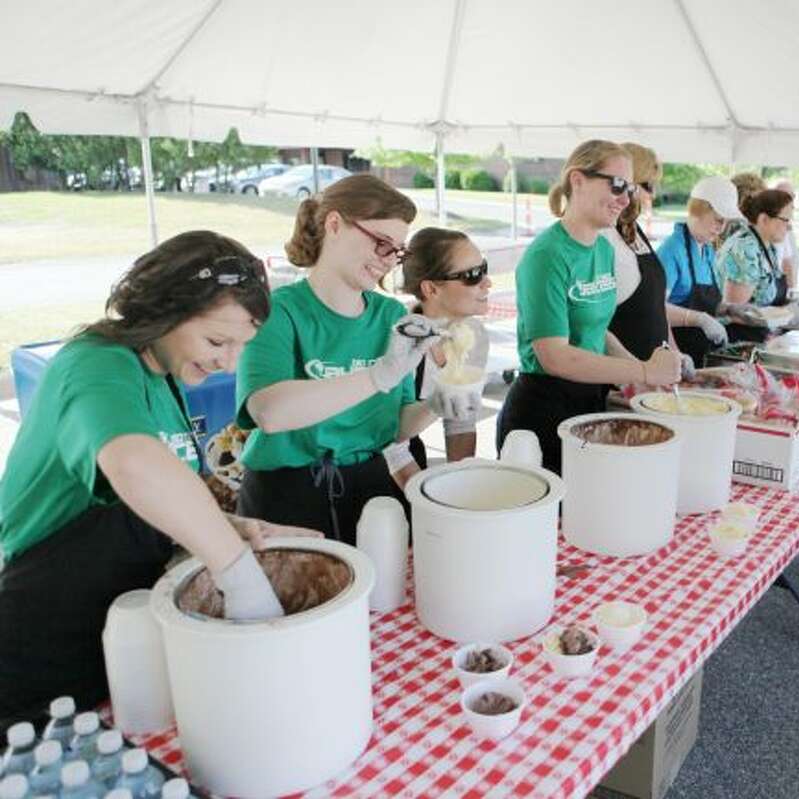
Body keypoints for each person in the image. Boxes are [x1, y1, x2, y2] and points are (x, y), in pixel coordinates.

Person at [0, 231, 312, 719]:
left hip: (115, 628)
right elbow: (134, 465)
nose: (227, 362)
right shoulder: (94, 363)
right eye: (216, 341)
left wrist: (229, 528)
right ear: (165, 309)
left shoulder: (166, 376)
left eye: (240, 347)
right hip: (40, 628)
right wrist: (238, 572)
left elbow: (147, 507)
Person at [236, 174, 467, 545]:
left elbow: (396, 426)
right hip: (286, 493)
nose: (387, 261)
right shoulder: (279, 311)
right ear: (334, 225)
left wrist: (437, 403)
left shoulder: (390, 316)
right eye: (381, 243)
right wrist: (377, 376)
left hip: (370, 485)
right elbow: (270, 413)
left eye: (397, 251)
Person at [495, 140, 681, 475]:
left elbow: (598, 328)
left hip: (588, 402)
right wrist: (642, 371)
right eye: (618, 185)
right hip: (542, 410)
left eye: (632, 189)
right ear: (577, 180)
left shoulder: (602, 249)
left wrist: (638, 373)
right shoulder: (547, 255)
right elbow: (555, 356)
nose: (626, 200)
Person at [602, 143, 715, 370]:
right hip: (623, 371)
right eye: (647, 186)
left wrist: (674, 352)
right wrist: (638, 372)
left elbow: (655, 307)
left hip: (650, 369)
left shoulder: (634, 230)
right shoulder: (604, 236)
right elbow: (594, 323)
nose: (650, 196)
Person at [395, 226, 492, 471]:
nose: (487, 283)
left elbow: (460, 425)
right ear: (431, 289)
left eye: (484, 269)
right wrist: (422, 492)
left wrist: (459, 485)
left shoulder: (474, 336)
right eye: (472, 275)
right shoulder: (399, 342)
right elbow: (388, 441)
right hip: (380, 459)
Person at [656, 175, 742, 366]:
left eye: (726, 222)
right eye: (718, 220)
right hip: (677, 351)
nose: (721, 229)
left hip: (702, 351)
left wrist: (729, 309)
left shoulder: (707, 249)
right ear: (698, 210)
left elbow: (707, 302)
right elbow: (655, 309)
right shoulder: (671, 250)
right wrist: (698, 319)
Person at [714, 188, 794, 343]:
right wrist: (787, 315)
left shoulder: (766, 246)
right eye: (786, 220)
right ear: (764, 219)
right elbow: (733, 313)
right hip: (735, 340)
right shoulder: (744, 249)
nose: (789, 227)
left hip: (758, 336)